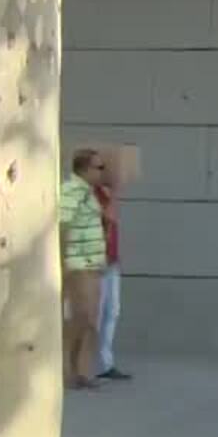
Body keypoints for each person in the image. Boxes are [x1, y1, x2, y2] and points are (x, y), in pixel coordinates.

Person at [59, 149, 110, 391]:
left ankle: (83, 371)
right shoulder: (71, 190)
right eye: (98, 168)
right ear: (84, 169)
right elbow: (63, 225)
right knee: (82, 317)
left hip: (94, 264)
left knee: (91, 320)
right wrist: (63, 261)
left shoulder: (90, 193)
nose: (102, 173)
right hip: (79, 265)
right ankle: (67, 369)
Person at [94, 162, 131, 381]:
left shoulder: (107, 195)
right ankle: (88, 364)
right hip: (97, 262)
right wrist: (114, 195)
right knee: (96, 313)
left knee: (112, 311)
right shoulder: (93, 195)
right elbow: (108, 218)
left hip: (111, 262)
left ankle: (105, 363)